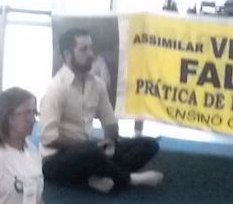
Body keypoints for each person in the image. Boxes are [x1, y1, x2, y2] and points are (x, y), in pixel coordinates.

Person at [39, 28, 163, 193]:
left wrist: (110, 142)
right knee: (89, 152)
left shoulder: (97, 84)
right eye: (84, 49)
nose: (91, 54)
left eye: (91, 48)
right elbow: (48, 138)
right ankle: (129, 179)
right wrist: (91, 147)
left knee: (148, 145)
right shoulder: (56, 88)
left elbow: (110, 123)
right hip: (56, 159)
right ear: (68, 55)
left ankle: (96, 175)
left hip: (91, 149)